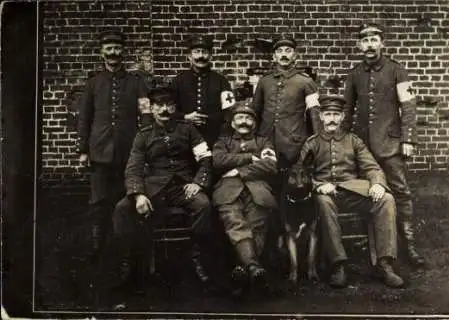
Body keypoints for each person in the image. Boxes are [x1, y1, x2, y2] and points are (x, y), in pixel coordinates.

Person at [112, 87, 213, 290]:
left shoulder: (188, 129)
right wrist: (139, 194)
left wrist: (198, 182)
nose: (164, 110)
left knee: (203, 205)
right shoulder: (144, 135)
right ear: (152, 108)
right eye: (159, 105)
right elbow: (134, 168)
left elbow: (205, 159)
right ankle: (128, 262)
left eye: (169, 105)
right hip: (153, 187)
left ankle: (196, 258)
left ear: (175, 107)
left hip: (182, 186)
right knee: (122, 209)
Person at [299, 95, 404, 288]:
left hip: (352, 193)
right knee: (323, 202)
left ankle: (385, 263)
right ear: (321, 117)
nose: (332, 119)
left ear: (341, 117)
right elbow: (300, 174)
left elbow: (372, 167)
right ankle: (338, 264)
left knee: (386, 199)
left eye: (336, 115)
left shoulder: (353, 141)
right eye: (328, 114)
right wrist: (317, 185)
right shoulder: (312, 143)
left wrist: (378, 183)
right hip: (324, 195)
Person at [343, 23, 425, 266]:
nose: (369, 44)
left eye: (374, 39)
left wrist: (408, 138)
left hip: (390, 145)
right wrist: (344, 140)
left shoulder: (397, 71)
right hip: (363, 147)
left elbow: (408, 106)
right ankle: (371, 241)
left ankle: (408, 244)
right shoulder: (354, 74)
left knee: (400, 192)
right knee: (364, 191)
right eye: (365, 40)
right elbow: (347, 110)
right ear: (359, 45)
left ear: (382, 43)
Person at [77, 30, 152, 254]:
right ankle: (97, 242)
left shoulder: (136, 82)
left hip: (128, 149)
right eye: (108, 48)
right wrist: (83, 150)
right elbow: (84, 118)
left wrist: (145, 145)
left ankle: (124, 243)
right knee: (98, 198)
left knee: (125, 196)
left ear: (123, 51)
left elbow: (146, 114)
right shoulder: (93, 83)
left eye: (117, 48)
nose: (113, 53)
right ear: (102, 52)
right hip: (99, 149)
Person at [251, 34, 321, 253]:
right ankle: (271, 244)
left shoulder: (305, 82)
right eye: (279, 51)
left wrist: (316, 143)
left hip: (293, 149)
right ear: (274, 56)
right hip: (267, 148)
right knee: (266, 195)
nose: (284, 55)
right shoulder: (264, 81)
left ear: (295, 55)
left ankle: (293, 242)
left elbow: (315, 116)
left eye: (288, 51)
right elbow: (255, 112)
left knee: (291, 195)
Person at [212, 101, 278, 291]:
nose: (244, 122)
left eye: (249, 118)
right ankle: (253, 267)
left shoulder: (263, 142)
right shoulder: (222, 142)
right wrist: (249, 158)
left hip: (258, 191)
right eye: (240, 118)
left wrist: (239, 172)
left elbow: (270, 165)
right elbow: (218, 161)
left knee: (257, 225)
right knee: (235, 222)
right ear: (232, 123)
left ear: (255, 123)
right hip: (228, 192)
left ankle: (242, 268)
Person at [168, 35, 235, 148]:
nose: (200, 56)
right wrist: (185, 117)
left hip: (213, 136)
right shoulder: (178, 81)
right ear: (189, 56)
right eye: (196, 52)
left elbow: (229, 111)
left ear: (210, 56)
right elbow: (170, 110)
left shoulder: (221, 81)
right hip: (184, 136)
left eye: (204, 52)